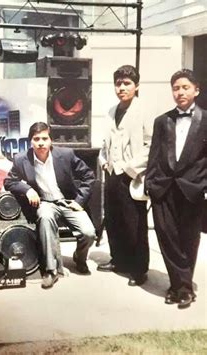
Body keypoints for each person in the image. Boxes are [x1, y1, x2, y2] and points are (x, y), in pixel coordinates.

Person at [4, 122, 96, 289]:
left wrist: (79, 201)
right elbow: (9, 181)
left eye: (44, 138)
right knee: (45, 218)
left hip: (68, 202)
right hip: (45, 202)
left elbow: (89, 176)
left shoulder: (66, 155)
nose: (41, 143)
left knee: (89, 233)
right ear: (30, 141)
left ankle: (79, 258)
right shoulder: (21, 159)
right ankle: (50, 270)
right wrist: (27, 189)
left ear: (50, 140)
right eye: (36, 139)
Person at [145, 69, 206, 309]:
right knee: (167, 237)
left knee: (188, 240)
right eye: (176, 88)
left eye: (185, 87)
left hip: (193, 190)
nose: (180, 92)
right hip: (163, 188)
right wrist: (150, 183)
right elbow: (155, 155)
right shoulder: (162, 121)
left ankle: (180, 288)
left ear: (196, 90)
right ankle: (182, 286)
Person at [97, 65, 152, 287]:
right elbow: (106, 143)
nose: (122, 87)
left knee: (134, 224)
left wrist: (131, 169)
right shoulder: (111, 110)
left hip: (132, 175)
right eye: (118, 83)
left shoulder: (144, 111)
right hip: (111, 173)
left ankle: (139, 269)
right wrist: (103, 162)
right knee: (113, 220)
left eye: (127, 83)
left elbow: (151, 144)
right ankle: (118, 260)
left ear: (136, 85)